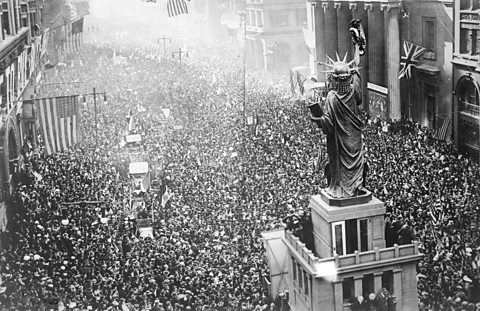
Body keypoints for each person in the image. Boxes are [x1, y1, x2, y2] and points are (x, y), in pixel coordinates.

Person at [308, 46, 365, 198]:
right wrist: (357, 49)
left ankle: (342, 188)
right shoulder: (354, 91)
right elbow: (358, 80)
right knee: (356, 164)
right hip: (354, 139)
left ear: (334, 78)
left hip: (340, 142)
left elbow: (328, 124)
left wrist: (317, 118)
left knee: (339, 166)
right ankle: (356, 186)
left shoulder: (332, 96)